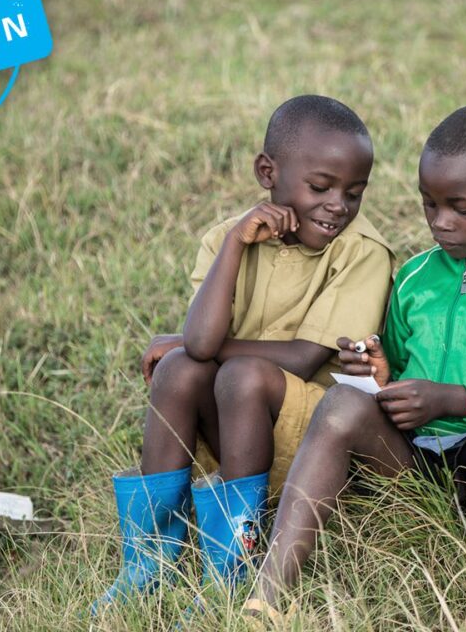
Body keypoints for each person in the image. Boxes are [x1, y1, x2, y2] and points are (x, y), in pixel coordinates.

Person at [243, 105, 466, 632]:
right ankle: (268, 596)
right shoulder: (415, 277)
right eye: (429, 204)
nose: (440, 222)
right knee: (341, 402)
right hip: (419, 467)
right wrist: (383, 379)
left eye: (460, 207)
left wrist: (456, 399)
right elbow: (405, 373)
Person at [91, 95, 395, 613]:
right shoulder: (225, 240)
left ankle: (231, 567)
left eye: (354, 193)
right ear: (266, 172)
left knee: (242, 375)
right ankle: (148, 563)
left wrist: (193, 343)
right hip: (236, 434)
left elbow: (300, 359)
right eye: (320, 187)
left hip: (314, 447)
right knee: (181, 369)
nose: (337, 205)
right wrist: (235, 244)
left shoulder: (362, 252)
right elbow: (201, 347)